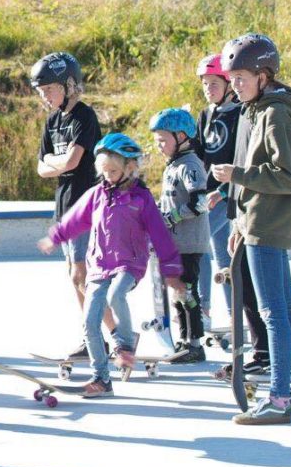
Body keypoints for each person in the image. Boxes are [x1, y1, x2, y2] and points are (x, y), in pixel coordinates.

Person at [211, 32, 291, 425]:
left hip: (269, 225)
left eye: (241, 77)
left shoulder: (275, 114)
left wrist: (236, 174)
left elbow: (287, 176)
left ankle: (279, 399)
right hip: (259, 220)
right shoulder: (262, 109)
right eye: (232, 77)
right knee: (287, 308)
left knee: (273, 312)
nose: (234, 85)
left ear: (264, 75)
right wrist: (239, 216)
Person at [37, 134, 184, 398]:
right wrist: (55, 237)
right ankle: (101, 379)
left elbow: (161, 235)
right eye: (103, 171)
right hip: (99, 266)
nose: (108, 176)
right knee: (90, 323)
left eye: (113, 171)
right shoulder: (97, 195)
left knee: (117, 295)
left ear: (130, 168)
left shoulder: (141, 199)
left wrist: (172, 272)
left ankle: (125, 345)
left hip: (129, 264)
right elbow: (75, 220)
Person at [30, 51, 104, 364]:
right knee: (76, 277)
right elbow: (40, 168)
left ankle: (103, 337)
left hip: (85, 206)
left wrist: (56, 164)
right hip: (63, 209)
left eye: (49, 90)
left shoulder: (84, 116)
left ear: (70, 85)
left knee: (83, 275)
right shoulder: (53, 122)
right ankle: (96, 336)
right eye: (42, 92)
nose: (45, 97)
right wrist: (58, 164)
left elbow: (73, 161)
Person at [149, 108, 209, 364]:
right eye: (157, 141)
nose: (159, 145)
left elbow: (199, 203)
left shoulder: (191, 166)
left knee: (187, 292)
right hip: (174, 243)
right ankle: (183, 341)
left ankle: (195, 344)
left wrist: (171, 217)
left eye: (163, 140)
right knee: (177, 292)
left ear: (181, 136)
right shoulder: (173, 165)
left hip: (189, 243)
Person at [195, 54, 241, 330]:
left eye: (214, 83)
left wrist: (223, 192)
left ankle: (202, 309)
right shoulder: (205, 114)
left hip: (228, 193)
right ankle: (234, 312)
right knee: (223, 255)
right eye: (204, 84)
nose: (208, 89)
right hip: (207, 194)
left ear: (228, 85)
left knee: (199, 243)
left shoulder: (239, 114)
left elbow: (242, 159)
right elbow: (200, 156)